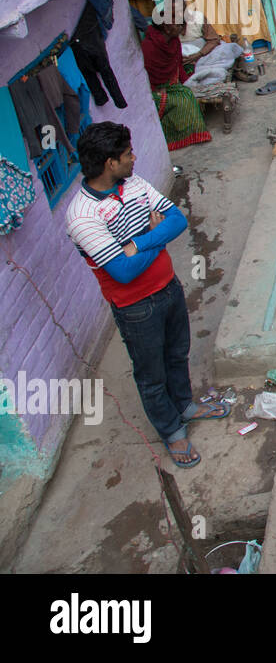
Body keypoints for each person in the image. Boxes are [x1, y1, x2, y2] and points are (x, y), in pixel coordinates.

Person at [65, 122, 228, 468]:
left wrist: (141, 242)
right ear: (110, 163)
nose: (134, 158)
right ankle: (172, 431)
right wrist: (157, 236)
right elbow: (122, 272)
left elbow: (177, 221)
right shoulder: (82, 216)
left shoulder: (133, 183)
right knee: (151, 374)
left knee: (177, 353)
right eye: (127, 154)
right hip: (136, 307)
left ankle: (184, 405)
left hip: (168, 286)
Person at [140, 3, 212, 150]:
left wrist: (187, 82)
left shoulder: (173, 41)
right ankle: (175, 137)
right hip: (157, 88)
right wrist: (157, 91)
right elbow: (147, 74)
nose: (181, 28)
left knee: (187, 90)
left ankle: (194, 132)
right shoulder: (149, 47)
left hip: (171, 82)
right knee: (183, 100)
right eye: (178, 25)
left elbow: (177, 63)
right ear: (166, 27)